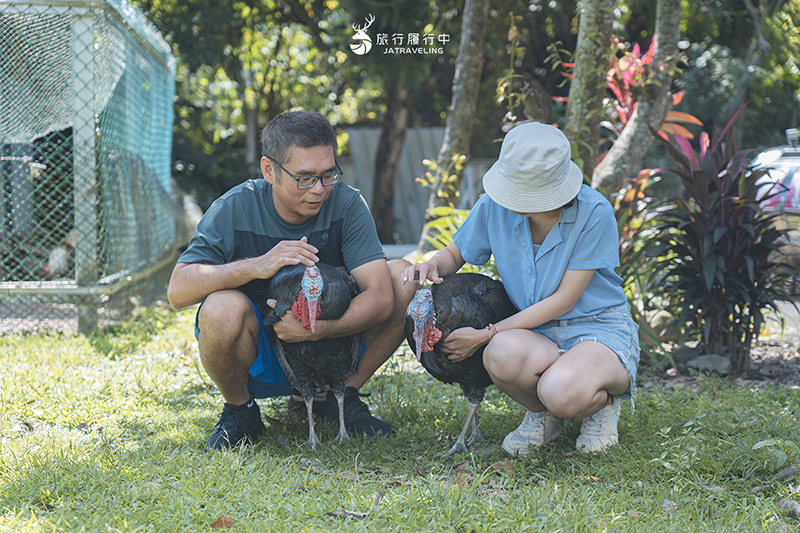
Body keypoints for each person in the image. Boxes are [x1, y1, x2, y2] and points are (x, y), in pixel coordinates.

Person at [168, 110, 413, 450]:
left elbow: (382, 297)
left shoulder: (346, 202)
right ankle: (241, 410)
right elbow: (178, 290)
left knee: (402, 275)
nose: (318, 190)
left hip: (337, 344)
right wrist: (255, 265)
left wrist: (319, 329)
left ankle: (340, 396)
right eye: (304, 178)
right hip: (265, 349)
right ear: (270, 170)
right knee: (220, 308)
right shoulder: (235, 207)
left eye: (328, 175)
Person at [401, 122, 639, 455]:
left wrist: (486, 332)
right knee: (501, 355)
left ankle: (601, 404)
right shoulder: (495, 206)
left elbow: (564, 300)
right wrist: (431, 266)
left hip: (596, 329)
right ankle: (543, 417)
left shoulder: (593, 212)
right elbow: (455, 254)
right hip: (535, 331)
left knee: (560, 391)